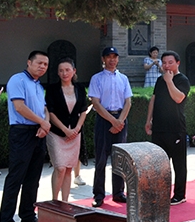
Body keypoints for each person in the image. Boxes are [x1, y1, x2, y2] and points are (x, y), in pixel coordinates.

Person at [0, 50, 50, 222]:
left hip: (39, 132)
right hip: (22, 132)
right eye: (39, 63)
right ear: (29, 62)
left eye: (45, 64)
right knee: (16, 177)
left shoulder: (38, 85)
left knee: (33, 178)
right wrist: (42, 122)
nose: (42, 67)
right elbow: (19, 107)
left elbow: (44, 109)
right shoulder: (17, 80)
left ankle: (27, 214)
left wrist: (45, 123)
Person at [145, 51, 190, 205]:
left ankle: (179, 194)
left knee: (178, 164)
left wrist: (170, 81)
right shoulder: (159, 80)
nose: (166, 65)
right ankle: (160, 194)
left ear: (178, 63)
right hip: (158, 128)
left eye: (170, 62)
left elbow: (178, 98)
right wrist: (148, 119)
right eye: (164, 62)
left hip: (176, 129)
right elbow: (154, 99)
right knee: (159, 165)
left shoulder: (182, 80)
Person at [88, 47, 132, 207]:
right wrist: (113, 122)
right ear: (103, 59)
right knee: (100, 159)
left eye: (114, 57)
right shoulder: (97, 79)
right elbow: (96, 104)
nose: (112, 60)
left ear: (118, 59)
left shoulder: (124, 78)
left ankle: (119, 192)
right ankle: (98, 195)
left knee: (119, 159)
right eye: (108, 56)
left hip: (121, 118)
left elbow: (128, 102)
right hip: (103, 120)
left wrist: (120, 121)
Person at [45, 58, 90, 201]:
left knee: (69, 168)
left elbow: (84, 110)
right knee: (59, 167)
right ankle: (55, 200)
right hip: (57, 133)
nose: (64, 73)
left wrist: (77, 128)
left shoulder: (80, 88)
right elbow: (50, 112)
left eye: (67, 70)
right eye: (61, 70)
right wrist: (64, 129)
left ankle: (65, 202)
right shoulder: (52, 89)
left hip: (75, 134)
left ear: (74, 71)